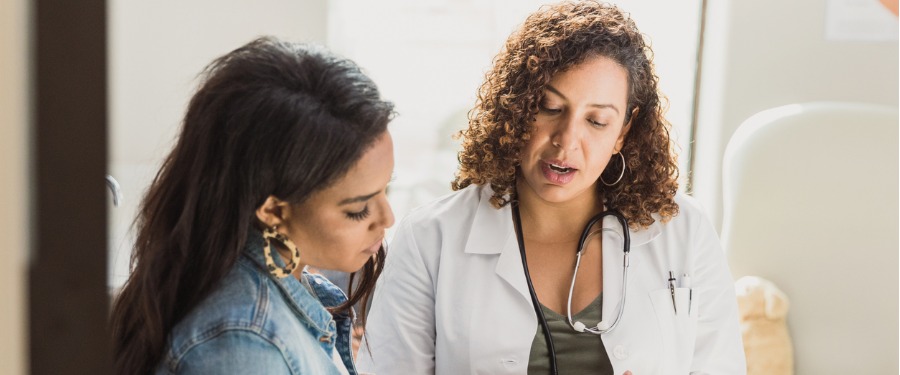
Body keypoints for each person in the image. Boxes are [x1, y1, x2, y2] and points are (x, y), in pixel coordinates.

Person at [357, 2, 746, 374]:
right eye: (550, 108)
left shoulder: (683, 229)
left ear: (623, 131)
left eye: (596, 121)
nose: (566, 140)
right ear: (518, 107)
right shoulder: (430, 238)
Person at [110, 37, 396, 374]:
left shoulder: (285, 288)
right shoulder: (245, 343)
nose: (387, 218)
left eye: (385, 190)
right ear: (273, 211)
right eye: (357, 210)